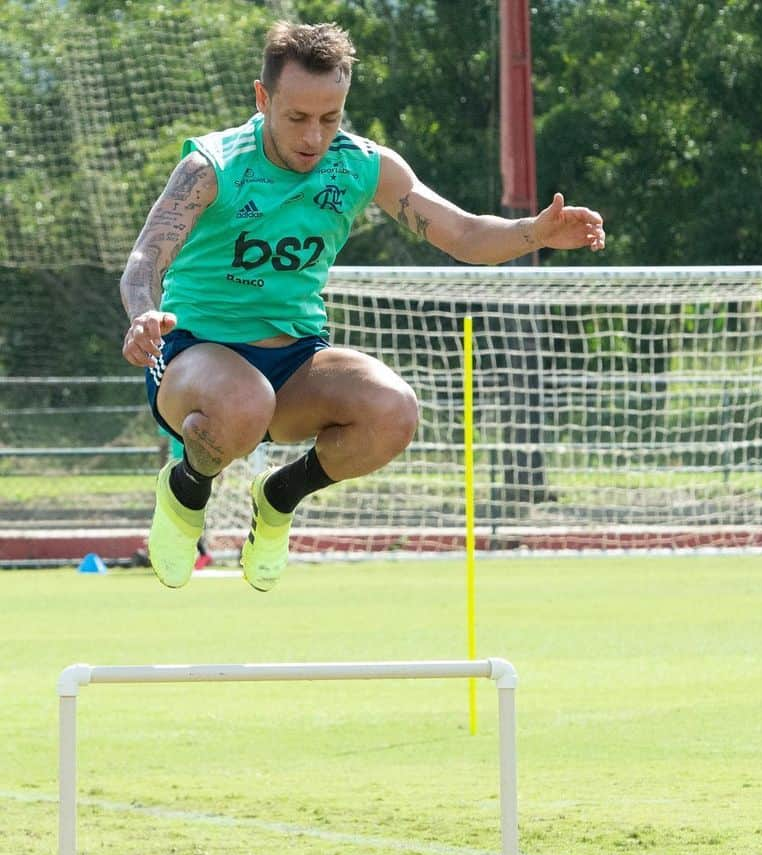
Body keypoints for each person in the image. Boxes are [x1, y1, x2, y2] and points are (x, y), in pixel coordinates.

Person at [120, 21, 605, 591]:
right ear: (263, 97)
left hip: (295, 360)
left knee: (393, 410)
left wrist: (534, 231)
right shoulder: (212, 166)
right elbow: (144, 259)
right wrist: (142, 314)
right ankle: (185, 491)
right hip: (193, 357)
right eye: (297, 117)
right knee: (244, 399)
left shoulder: (363, 165)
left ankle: (278, 496)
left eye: (330, 118)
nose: (314, 137)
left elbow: (466, 235)